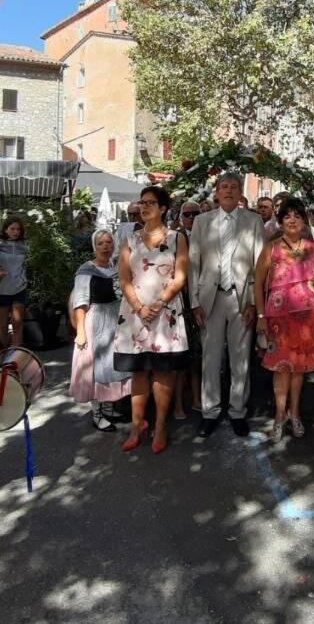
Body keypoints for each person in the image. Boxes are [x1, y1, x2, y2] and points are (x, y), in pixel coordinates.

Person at [114, 186, 189, 454]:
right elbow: (124, 278)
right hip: (135, 314)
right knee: (138, 371)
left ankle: (160, 425)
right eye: (142, 202)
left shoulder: (177, 238)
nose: (144, 207)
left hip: (165, 313)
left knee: (162, 371)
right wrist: (138, 306)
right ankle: (136, 426)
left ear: (163, 208)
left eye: (151, 203)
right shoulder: (129, 239)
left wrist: (158, 304)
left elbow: (180, 277)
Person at [187, 173, 263, 438]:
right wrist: (194, 302)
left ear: (240, 193)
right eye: (224, 187)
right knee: (210, 358)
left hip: (241, 298)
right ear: (217, 193)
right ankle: (210, 412)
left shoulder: (253, 221)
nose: (229, 191)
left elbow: (260, 265)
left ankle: (237, 411)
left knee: (240, 359)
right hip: (211, 298)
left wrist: (254, 302)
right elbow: (193, 264)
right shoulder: (202, 221)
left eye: (234, 187)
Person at [254, 197, 314, 443]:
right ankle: (279, 416)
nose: (292, 220)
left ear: (304, 221)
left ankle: (294, 413)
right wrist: (261, 316)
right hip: (279, 320)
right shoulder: (271, 248)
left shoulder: (312, 248)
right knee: (280, 368)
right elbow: (258, 284)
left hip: (307, 319)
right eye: (287, 216)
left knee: (299, 368)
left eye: (297, 215)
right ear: (280, 221)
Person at [70, 229, 131, 431]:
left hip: (115, 320)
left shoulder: (115, 267)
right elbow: (80, 303)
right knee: (96, 368)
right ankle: (96, 413)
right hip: (96, 322)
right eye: (101, 243)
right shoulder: (86, 271)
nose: (106, 247)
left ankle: (108, 407)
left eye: (109, 242)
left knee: (111, 365)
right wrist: (81, 332)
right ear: (94, 246)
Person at [173, 201, 203, 419]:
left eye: (195, 213)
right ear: (181, 216)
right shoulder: (174, 237)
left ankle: (197, 399)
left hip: (201, 301)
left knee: (197, 356)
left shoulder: (206, 235)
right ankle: (177, 405)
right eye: (187, 214)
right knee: (178, 358)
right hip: (180, 303)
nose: (191, 217)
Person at [0, 215, 28, 349]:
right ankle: (2, 356)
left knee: (18, 323)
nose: (15, 232)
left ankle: (16, 354)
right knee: (2, 326)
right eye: (12, 229)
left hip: (19, 288)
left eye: (18, 229)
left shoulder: (24, 246)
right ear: (5, 229)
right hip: (1, 290)